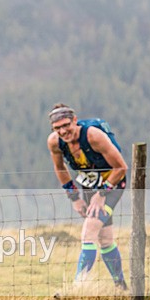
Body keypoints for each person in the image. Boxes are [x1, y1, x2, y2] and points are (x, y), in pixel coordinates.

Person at [47, 103, 129, 289]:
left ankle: (78, 287)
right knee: (105, 239)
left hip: (113, 183)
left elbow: (121, 167)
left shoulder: (93, 136)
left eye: (66, 125)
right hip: (89, 185)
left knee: (88, 233)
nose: (63, 131)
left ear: (75, 121)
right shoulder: (54, 142)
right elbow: (60, 168)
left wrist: (101, 194)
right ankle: (121, 287)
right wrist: (74, 197)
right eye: (57, 128)